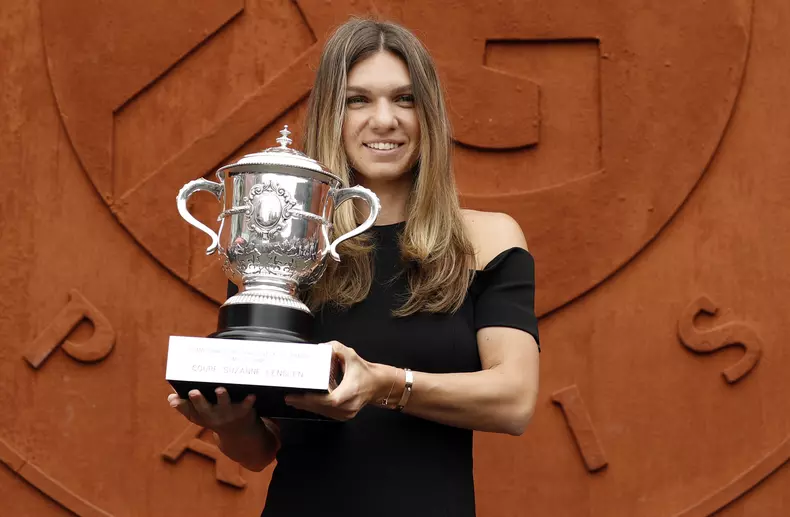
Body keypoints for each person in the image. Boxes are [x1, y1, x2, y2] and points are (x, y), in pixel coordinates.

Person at [167, 16, 540, 517]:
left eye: (405, 99)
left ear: (429, 114)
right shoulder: (287, 243)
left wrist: (384, 385)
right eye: (357, 100)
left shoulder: (486, 239)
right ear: (330, 115)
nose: (384, 120)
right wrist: (230, 422)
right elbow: (259, 451)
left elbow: (514, 400)